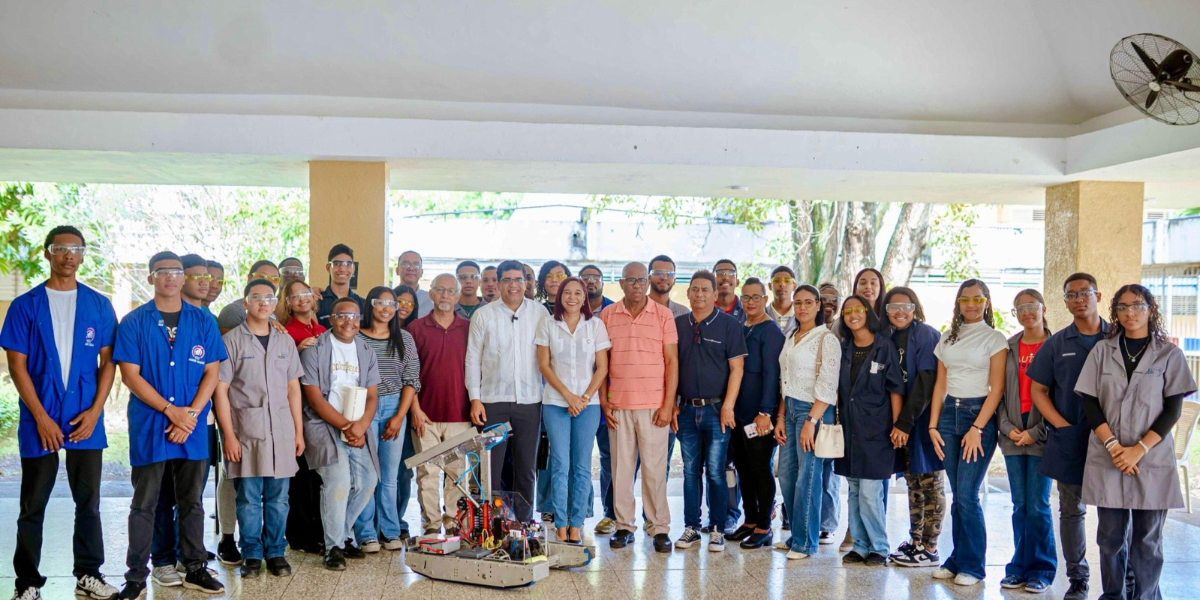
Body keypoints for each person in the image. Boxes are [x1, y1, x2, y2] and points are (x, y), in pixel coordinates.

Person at [1, 226, 120, 600]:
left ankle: (88, 574)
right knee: (32, 505)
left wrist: (95, 412)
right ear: (48, 252)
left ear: (83, 255)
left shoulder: (99, 305)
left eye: (76, 248)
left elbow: (109, 363)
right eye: (61, 248)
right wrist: (40, 416)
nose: (69, 254)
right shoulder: (26, 305)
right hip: (42, 417)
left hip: (85, 416)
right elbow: (17, 365)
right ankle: (27, 583)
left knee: (89, 502)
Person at [114, 251, 228, 598]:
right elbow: (130, 376)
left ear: (184, 278)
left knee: (191, 501)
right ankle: (136, 576)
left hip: (191, 427)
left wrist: (190, 414)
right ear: (151, 278)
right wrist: (171, 411)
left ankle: (194, 567)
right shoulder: (134, 322)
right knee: (146, 502)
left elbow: (212, 371)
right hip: (151, 424)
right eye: (162, 272)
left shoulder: (203, 320)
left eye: (177, 272)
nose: (171, 278)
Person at [1077, 284, 1196, 600]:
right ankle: (1113, 596)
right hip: (1109, 456)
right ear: (1115, 312)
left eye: (1138, 306)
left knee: (1147, 540)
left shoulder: (1169, 354)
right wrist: (1117, 448)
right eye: (1123, 307)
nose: (1130, 313)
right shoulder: (1102, 351)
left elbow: (1172, 410)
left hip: (1151, 459)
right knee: (1110, 539)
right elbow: (1090, 403)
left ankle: (1146, 596)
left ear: (1151, 309)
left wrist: (1138, 450)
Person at [213, 279, 304, 578]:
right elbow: (220, 390)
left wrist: (298, 432)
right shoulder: (233, 341)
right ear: (245, 303)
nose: (263, 303)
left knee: (279, 498)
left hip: (282, 431)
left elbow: (293, 389)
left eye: (269, 298)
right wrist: (228, 435)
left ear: (276, 302)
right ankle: (252, 554)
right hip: (246, 432)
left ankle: (276, 552)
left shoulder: (284, 340)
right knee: (249, 498)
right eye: (256, 298)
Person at [1027, 272, 1106, 600]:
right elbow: (1038, 390)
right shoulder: (1057, 343)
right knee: (1072, 510)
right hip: (1069, 438)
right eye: (1071, 295)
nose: (1078, 299)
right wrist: (1061, 426)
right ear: (1064, 302)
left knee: (1113, 510)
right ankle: (1078, 578)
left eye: (1084, 293)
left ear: (1098, 296)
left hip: (1112, 441)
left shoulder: (1117, 338)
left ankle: (1121, 574)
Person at [928, 279, 1007, 587]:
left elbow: (997, 389)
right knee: (958, 494)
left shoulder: (995, 339)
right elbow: (940, 385)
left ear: (987, 302)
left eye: (977, 299)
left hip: (978, 415)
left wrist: (978, 428)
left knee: (968, 494)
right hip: (949, 416)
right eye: (965, 300)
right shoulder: (947, 337)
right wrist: (933, 425)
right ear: (958, 304)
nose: (971, 305)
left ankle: (973, 566)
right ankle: (957, 559)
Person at [600, 262, 679, 553]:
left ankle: (659, 528)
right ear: (620, 284)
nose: (636, 285)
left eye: (641, 280)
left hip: (654, 405)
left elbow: (672, 362)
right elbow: (602, 363)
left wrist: (668, 405)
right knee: (621, 469)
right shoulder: (607, 315)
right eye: (630, 280)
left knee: (655, 470)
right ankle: (624, 526)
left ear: (647, 283)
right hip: (618, 404)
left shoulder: (663, 315)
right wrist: (603, 400)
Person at [299, 298, 381, 571]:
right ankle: (333, 547)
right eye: (343, 316)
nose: (350, 322)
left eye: (355, 317)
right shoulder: (315, 349)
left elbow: (372, 396)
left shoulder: (366, 350)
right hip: (324, 425)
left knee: (369, 480)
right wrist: (347, 426)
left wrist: (361, 425)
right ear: (331, 318)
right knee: (339, 482)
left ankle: (342, 535)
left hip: (358, 425)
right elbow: (313, 398)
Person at [673, 271, 746, 552]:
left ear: (715, 294)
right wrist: (673, 404)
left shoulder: (729, 325)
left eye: (706, 290)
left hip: (718, 410)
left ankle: (717, 528)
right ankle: (691, 526)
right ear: (688, 294)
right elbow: (672, 367)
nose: (700, 294)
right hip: (687, 411)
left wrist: (728, 406)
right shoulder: (678, 325)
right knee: (690, 471)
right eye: (695, 290)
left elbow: (736, 369)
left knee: (716, 471)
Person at [465, 260, 544, 522]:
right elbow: (472, 359)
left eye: (519, 280)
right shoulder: (483, 315)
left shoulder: (540, 313)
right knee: (491, 467)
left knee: (525, 468)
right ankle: (493, 522)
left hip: (530, 401)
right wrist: (475, 399)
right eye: (507, 280)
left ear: (526, 283)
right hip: (492, 401)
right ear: (498, 284)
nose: (513, 285)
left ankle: (523, 522)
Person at [536, 276, 611, 543]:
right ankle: (559, 524)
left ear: (584, 297)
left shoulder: (596, 326)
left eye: (578, 293)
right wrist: (568, 396)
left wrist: (585, 396)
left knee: (581, 466)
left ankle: (576, 524)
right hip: (555, 403)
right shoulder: (547, 324)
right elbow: (544, 365)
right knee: (560, 464)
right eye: (567, 292)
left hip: (587, 406)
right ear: (559, 297)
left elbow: (602, 367)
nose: (572, 297)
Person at [834, 295, 904, 566]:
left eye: (858, 310)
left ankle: (879, 547)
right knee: (852, 489)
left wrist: (898, 425)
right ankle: (860, 545)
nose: (852, 315)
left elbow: (895, 388)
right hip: (849, 428)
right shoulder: (844, 348)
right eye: (847, 311)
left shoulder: (884, 347)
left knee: (870, 492)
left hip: (878, 429)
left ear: (867, 313)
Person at [773, 284, 840, 560]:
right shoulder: (792, 336)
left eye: (808, 302)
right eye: (797, 303)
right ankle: (796, 535)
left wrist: (811, 420)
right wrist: (779, 415)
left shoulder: (827, 339)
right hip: (789, 409)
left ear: (818, 306)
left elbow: (828, 383)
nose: (802, 307)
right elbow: (784, 379)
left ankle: (806, 542)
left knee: (808, 477)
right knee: (787, 475)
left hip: (813, 411)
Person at [351, 287, 421, 551]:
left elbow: (412, 380)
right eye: (380, 303)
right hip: (362, 407)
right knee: (366, 475)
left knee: (390, 476)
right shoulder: (355, 337)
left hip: (394, 406)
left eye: (391, 303)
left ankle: (390, 531)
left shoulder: (404, 338)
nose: (386, 308)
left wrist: (399, 416)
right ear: (370, 305)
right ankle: (366, 533)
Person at [880, 286, 945, 569]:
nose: (898, 312)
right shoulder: (889, 338)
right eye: (892, 308)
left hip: (925, 420)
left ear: (914, 307)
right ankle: (915, 541)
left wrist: (905, 423)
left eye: (904, 306)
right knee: (913, 482)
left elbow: (926, 382)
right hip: (903, 421)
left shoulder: (926, 334)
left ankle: (931, 546)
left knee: (931, 482)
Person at [997, 289, 1056, 593]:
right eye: (1020, 309)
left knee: (1038, 505)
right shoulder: (1008, 347)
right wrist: (1008, 428)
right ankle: (1018, 567)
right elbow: (1000, 393)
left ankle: (1042, 569)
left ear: (1043, 309)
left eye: (1032, 307)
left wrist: (1035, 432)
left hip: (1042, 437)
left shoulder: (1055, 345)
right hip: (1012, 436)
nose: (1027, 313)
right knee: (1019, 504)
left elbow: (1059, 395)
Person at [407, 274, 473, 534]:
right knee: (428, 474)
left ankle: (455, 524)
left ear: (458, 297)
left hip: (461, 414)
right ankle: (432, 526)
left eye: (450, 291)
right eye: (440, 290)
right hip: (426, 415)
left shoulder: (469, 328)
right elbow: (408, 374)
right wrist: (415, 410)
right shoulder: (415, 329)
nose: (445, 295)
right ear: (431, 294)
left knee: (459, 475)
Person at [724, 278, 783, 550]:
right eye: (745, 297)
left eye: (756, 297)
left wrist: (765, 412)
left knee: (761, 469)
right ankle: (748, 521)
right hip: (738, 414)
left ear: (765, 298)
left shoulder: (770, 332)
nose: (750, 302)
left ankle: (764, 526)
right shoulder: (741, 328)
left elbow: (772, 375)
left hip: (759, 414)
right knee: (744, 469)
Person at [276, 279, 327, 555]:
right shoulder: (285, 331)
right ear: (288, 303)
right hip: (297, 410)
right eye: (294, 296)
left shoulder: (322, 330)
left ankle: (319, 531)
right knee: (300, 475)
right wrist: (298, 350)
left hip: (323, 411)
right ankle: (299, 534)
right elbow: (278, 368)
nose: (302, 299)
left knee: (319, 476)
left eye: (306, 293)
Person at [816, 282, 841, 541]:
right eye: (823, 298)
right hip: (805, 404)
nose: (828, 302)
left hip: (834, 408)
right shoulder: (804, 328)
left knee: (829, 469)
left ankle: (828, 524)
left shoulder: (843, 329)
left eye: (833, 298)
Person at [218, 259, 281, 335]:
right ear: (249, 278)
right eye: (262, 276)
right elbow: (230, 343)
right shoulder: (233, 311)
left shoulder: (272, 313)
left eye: (275, 279)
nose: (268, 281)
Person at [318, 245, 364, 327]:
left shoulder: (363, 304)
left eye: (347, 264)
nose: (342, 269)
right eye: (336, 264)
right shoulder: (318, 302)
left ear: (353, 268)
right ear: (328, 268)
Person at [395, 251, 433, 318]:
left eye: (416, 265)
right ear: (397, 270)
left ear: (422, 272)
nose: (411, 268)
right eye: (405, 264)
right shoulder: (389, 297)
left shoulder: (431, 300)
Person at [712, 259, 745, 324]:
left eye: (731, 273)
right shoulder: (705, 309)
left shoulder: (746, 309)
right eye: (720, 273)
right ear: (712, 282)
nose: (726, 277)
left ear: (737, 282)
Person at [765, 266, 796, 332]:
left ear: (794, 286)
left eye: (787, 280)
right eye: (776, 280)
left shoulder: (802, 315)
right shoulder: (761, 315)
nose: (782, 284)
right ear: (770, 286)